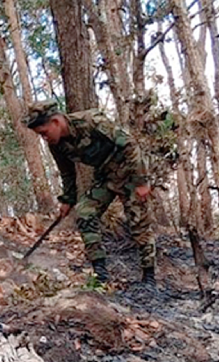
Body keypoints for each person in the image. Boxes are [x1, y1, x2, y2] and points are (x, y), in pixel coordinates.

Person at [23, 100, 156, 286]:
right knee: (85, 212)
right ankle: (100, 275)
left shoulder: (91, 121)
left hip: (129, 172)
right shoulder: (57, 145)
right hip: (105, 176)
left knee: (138, 222)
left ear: (56, 122)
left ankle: (149, 277)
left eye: (44, 133)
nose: (44, 138)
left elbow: (130, 145)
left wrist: (142, 181)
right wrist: (68, 199)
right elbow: (67, 173)